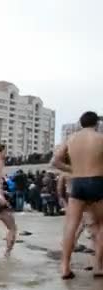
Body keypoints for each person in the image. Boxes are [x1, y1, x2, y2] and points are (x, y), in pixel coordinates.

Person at [52, 111, 103, 279]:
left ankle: (65, 266)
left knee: (71, 226)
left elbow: (55, 161)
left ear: (81, 123)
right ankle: (97, 266)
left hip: (78, 183)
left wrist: (73, 170)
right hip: (97, 182)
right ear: (96, 124)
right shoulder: (100, 138)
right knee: (100, 225)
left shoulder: (71, 139)